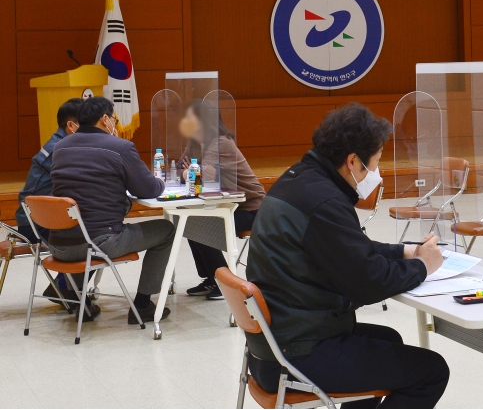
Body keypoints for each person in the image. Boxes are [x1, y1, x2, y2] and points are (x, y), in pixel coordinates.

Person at [245, 103, 449, 409]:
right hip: (297, 354)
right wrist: (422, 266)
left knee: (388, 340)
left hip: (272, 348)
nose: (377, 173)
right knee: (432, 371)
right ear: (353, 161)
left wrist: (406, 252)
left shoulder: (299, 181)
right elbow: (368, 282)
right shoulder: (324, 201)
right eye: (376, 162)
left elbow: (351, 250)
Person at [49, 96, 176, 324]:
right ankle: (143, 305)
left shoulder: (60, 148)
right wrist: (161, 181)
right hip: (99, 241)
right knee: (166, 230)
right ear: (105, 119)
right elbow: (149, 189)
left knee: (81, 229)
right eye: (114, 120)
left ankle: (81, 302)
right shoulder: (120, 148)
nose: (116, 124)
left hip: (60, 245)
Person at [177, 100, 265, 300]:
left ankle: (224, 283)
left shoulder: (220, 142)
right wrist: (190, 171)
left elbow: (199, 176)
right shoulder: (195, 142)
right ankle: (210, 278)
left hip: (251, 209)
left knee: (203, 228)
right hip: (229, 206)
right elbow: (182, 168)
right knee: (192, 225)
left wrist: (190, 171)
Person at [14, 98, 82, 301]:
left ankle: (66, 286)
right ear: (71, 125)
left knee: (92, 231)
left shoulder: (61, 143)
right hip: (35, 223)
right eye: (87, 123)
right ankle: (64, 288)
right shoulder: (61, 150)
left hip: (39, 217)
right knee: (94, 236)